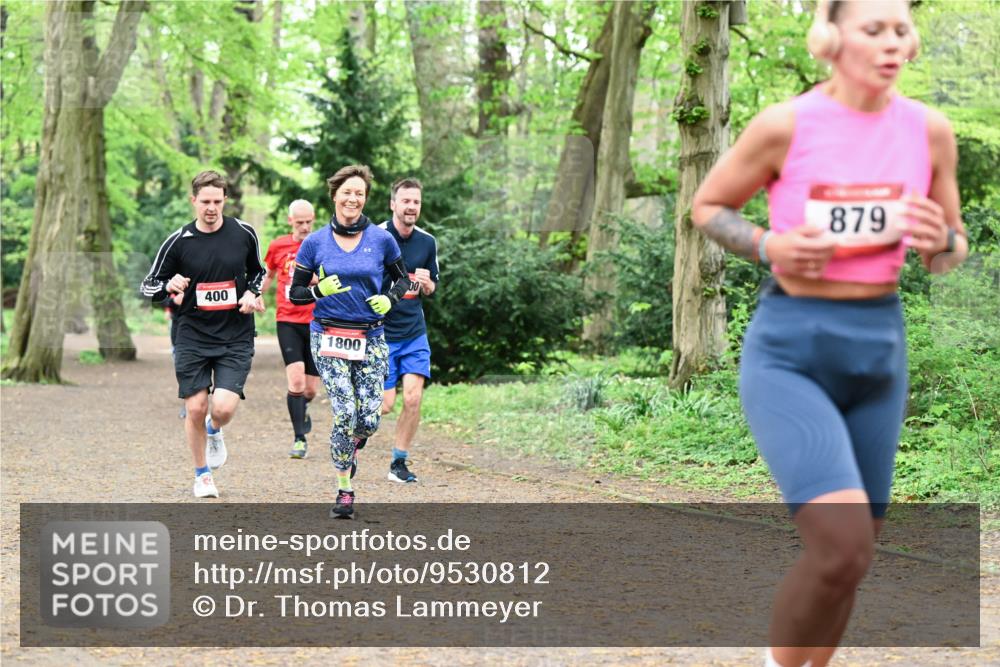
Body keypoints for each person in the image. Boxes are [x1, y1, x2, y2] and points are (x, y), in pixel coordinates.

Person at [689, 2, 968, 665]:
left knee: (855, 555)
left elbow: (947, 249)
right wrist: (769, 243)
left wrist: (943, 241)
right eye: (874, 28)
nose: (893, 42)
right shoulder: (786, 124)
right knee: (840, 546)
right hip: (793, 346)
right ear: (831, 37)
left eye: (901, 28)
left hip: (879, 349)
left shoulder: (930, 131)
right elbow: (708, 205)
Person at [288, 164, 413, 519]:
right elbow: (296, 293)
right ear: (334, 196)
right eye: (347, 192)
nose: (353, 199)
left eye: (359, 193)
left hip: (371, 336)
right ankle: (345, 489)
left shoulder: (381, 240)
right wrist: (317, 289)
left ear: (365, 199)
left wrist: (389, 299)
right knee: (345, 412)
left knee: (369, 419)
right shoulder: (315, 243)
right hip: (327, 335)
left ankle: (350, 447)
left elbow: (402, 281)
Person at [141, 170, 266, 499]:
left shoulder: (243, 233)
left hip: (235, 335)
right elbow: (149, 285)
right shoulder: (179, 241)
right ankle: (202, 475)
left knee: (221, 409)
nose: (211, 208)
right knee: (195, 407)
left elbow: (259, 272)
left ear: (225, 199)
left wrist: (253, 294)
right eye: (205, 201)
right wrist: (169, 287)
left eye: (217, 201)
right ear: (193, 201)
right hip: (192, 334)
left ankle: (214, 430)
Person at [378, 178, 439, 484]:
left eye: (416, 201)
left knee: (413, 399)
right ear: (393, 204)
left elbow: (432, 286)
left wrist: (428, 285)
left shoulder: (427, 242)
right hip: (381, 335)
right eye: (405, 201)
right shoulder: (376, 236)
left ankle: (398, 463)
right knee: (385, 405)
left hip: (414, 333)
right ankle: (352, 436)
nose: (411, 207)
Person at [261, 199, 321, 459]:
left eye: (309, 221)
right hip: (288, 320)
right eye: (300, 222)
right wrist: (255, 295)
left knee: (310, 390)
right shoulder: (278, 246)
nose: (305, 227)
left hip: (318, 322)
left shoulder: (322, 245)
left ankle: (301, 408)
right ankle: (299, 438)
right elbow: (267, 275)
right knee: (295, 381)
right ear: (290, 221)